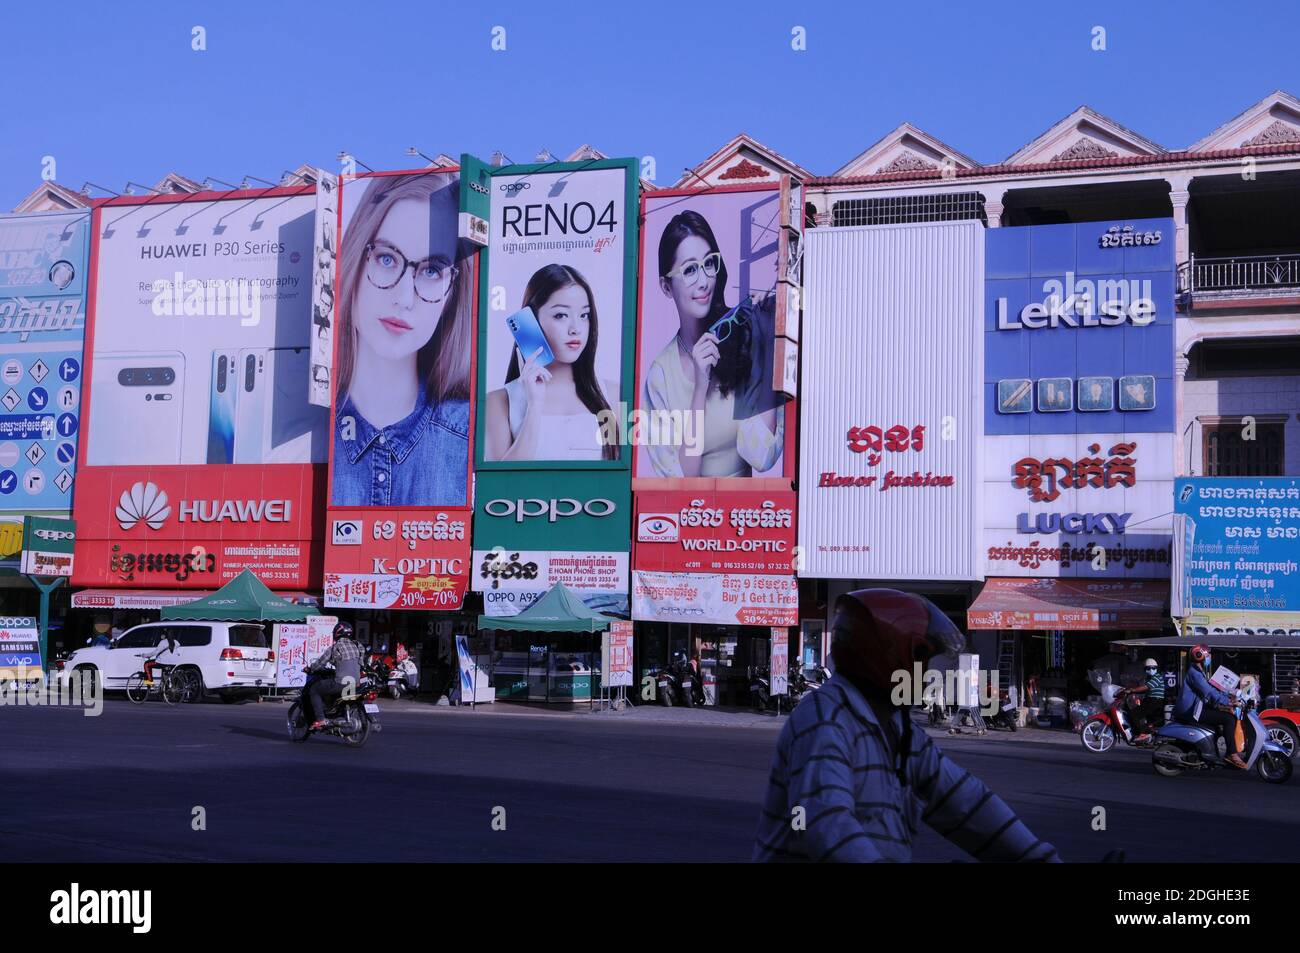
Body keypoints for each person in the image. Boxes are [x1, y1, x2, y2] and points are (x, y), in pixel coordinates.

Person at [754, 589, 1061, 863]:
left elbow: (967, 802)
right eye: (920, 659)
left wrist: (1037, 856)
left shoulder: (901, 733)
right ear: (886, 656)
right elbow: (827, 828)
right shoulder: (826, 720)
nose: (927, 672)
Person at [330, 172, 472, 507]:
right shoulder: (306, 432)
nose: (404, 297)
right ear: (356, 254)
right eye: (387, 258)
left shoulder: (470, 437)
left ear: (453, 291)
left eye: (432, 270)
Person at [644, 210, 782, 477]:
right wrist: (700, 386)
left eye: (709, 264)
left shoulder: (745, 337)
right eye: (690, 270)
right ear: (665, 286)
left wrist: (767, 349)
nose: (704, 281)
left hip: (754, 514)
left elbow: (761, 457)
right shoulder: (661, 374)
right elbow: (682, 477)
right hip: (692, 514)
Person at [485, 264, 618, 461]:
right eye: (561, 315)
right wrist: (535, 405)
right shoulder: (498, 402)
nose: (576, 329)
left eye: (584, 315)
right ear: (530, 321)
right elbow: (503, 485)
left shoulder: (613, 395)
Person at [1172, 643, 1245, 769]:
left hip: (1196, 707)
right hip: (1191, 710)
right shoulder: (1194, 673)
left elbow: (1211, 689)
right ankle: (1232, 754)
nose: (1209, 657)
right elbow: (1209, 692)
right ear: (1200, 656)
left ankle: (1214, 751)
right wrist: (1228, 702)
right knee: (1229, 719)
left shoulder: (1199, 671)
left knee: (1225, 715)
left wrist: (1228, 697)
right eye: (1208, 654)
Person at [306, 622, 365, 730]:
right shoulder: (358, 645)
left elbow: (320, 663)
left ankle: (320, 719)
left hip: (341, 682)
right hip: (355, 683)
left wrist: (310, 669)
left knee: (314, 689)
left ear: (337, 633)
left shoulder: (334, 648)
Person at [1130, 657, 1166, 742]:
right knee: (1141, 717)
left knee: (1133, 714)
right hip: (1150, 700)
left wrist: (1132, 690)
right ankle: (1146, 734)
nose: (1151, 670)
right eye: (1148, 668)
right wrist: (1131, 692)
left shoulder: (1157, 677)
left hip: (1155, 701)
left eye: (1153, 668)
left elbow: (1146, 687)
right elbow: (1145, 690)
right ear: (1145, 669)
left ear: (1156, 668)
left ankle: (1141, 734)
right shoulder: (1149, 678)